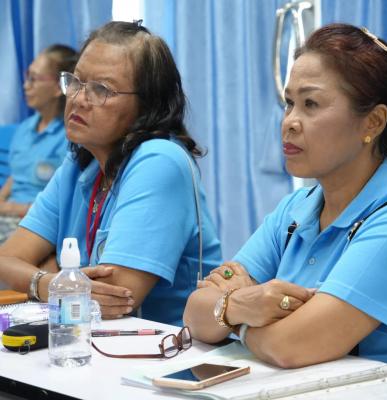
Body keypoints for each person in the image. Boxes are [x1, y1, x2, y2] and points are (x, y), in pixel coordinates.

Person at [184, 23, 387, 367]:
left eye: (311, 104)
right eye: (289, 103)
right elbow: (195, 313)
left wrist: (233, 314)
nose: (290, 122)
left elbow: (290, 346)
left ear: (373, 122)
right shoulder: (295, 210)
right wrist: (242, 304)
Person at [0, 20, 221, 326]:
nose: (78, 99)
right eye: (76, 81)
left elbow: (115, 298)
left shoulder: (160, 161)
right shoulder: (80, 163)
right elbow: (6, 260)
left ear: (147, 105)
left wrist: (45, 273)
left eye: (101, 89)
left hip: (165, 349)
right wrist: (49, 282)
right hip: (90, 342)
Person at [0, 44, 77, 243]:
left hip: (36, 222)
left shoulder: (70, 137)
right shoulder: (24, 129)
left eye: (34, 79)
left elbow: (67, 200)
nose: (26, 86)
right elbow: (15, 175)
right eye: (27, 77)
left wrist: (13, 208)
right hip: (6, 217)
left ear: (58, 88)